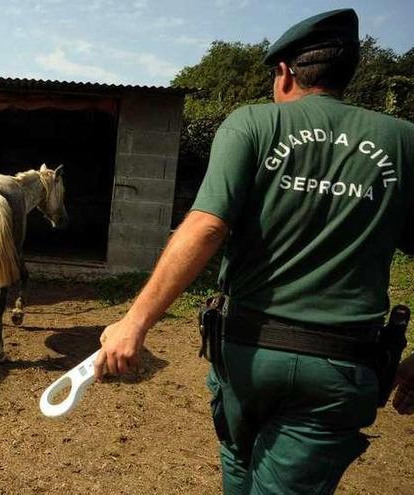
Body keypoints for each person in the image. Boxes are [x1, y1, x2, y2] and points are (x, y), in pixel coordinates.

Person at [95, 8, 414, 494]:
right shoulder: (404, 141)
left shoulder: (252, 125)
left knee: (239, 476)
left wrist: (134, 322)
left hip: (247, 357)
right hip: (340, 368)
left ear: (285, 73)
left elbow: (205, 225)